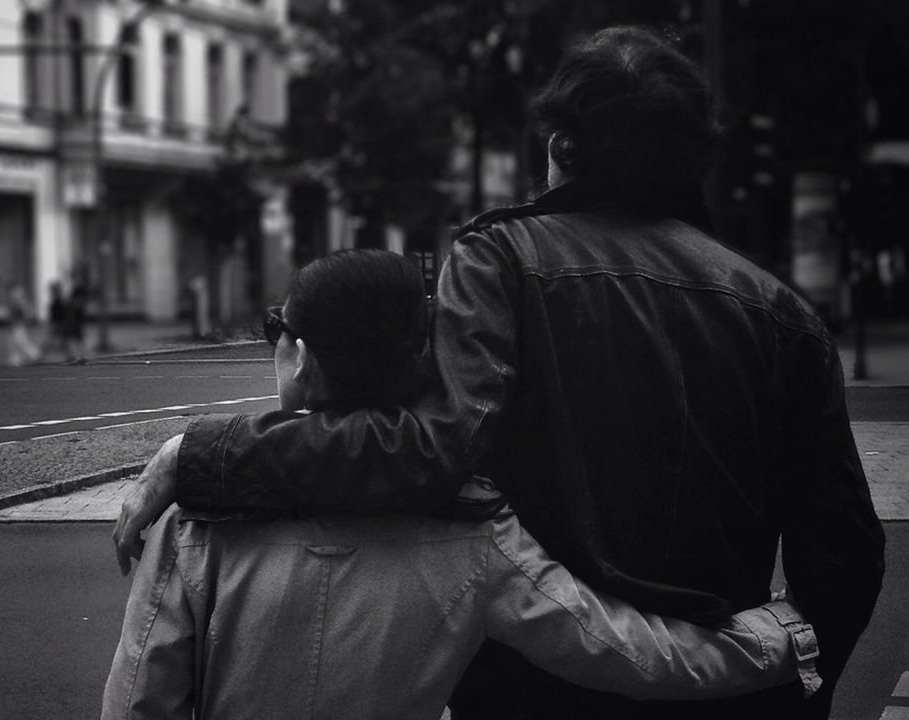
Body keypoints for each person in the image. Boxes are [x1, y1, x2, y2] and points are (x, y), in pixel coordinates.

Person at [113, 26, 885, 719]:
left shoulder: (502, 259)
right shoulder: (783, 315)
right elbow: (846, 554)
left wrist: (202, 456)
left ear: (562, 149)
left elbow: (431, 453)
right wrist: (789, 684)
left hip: (533, 695)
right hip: (719, 687)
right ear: (692, 159)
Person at [102, 250, 818, 720]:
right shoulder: (476, 536)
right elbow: (634, 654)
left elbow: (138, 703)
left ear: (303, 358)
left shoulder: (196, 514)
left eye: (276, 329)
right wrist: (778, 637)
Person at [5, 283, 40, 367]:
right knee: (13, 342)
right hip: (14, 325)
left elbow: (26, 313)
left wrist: (25, 319)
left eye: (14, 292)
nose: (11, 294)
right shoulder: (14, 302)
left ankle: (34, 354)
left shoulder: (20, 302)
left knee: (20, 341)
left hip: (18, 325)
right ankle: (15, 359)